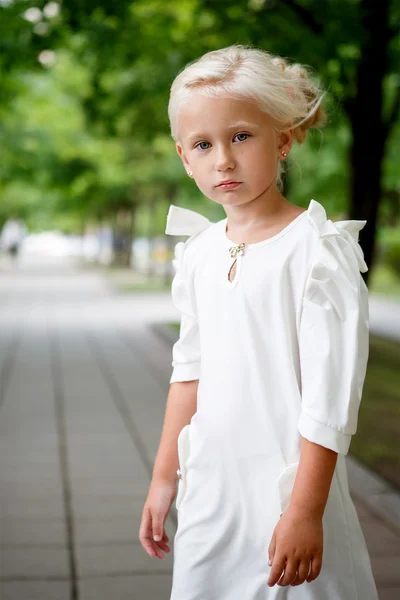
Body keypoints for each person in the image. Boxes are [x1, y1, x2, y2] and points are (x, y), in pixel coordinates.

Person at [139, 44, 379, 599]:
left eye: (241, 136)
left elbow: (330, 402)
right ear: (184, 156)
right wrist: (163, 477)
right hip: (211, 491)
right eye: (203, 144)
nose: (222, 159)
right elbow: (189, 372)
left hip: (287, 491)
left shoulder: (316, 252)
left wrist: (304, 511)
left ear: (284, 138)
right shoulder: (198, 253)